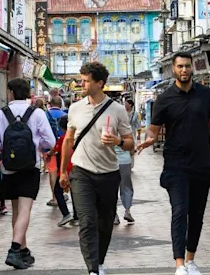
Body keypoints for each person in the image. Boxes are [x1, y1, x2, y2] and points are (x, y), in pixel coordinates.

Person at [136, 52, 210, 275]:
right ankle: (179, 263)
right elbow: (153, 130)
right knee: (180, 211)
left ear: (193, 68)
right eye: (180, 66)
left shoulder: (205, 95)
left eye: (187, 66)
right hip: (175, 165)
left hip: (201, 164)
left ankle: (191, 259)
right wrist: (147, 141)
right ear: (174, 69)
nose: (184, 70)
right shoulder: (164, 99)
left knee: (197, 213)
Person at [60, 62, 135, 275]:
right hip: (81, 172)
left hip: (109, 174)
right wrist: (64, 170)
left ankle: (99, 261)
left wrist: (118, 141)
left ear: (99, 83)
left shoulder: (117, 110)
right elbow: (68, 140)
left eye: (85, 80)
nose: (81, 84)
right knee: (87, 221)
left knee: (104, 223)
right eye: (81, 79)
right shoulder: (75, 108)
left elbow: (131, 145)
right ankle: (93, 269)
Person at [0, 78, 57, 270]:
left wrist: (9, 150)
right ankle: (14, 250)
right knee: (25, 210)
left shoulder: (1, 114)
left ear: (11, 92)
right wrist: (37, 147)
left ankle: (23, 251)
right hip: (30, 167)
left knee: (17, 210)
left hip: (8, 168)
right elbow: (50, 142)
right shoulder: (37, 113)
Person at [115, 98, 137, 224]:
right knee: (126, 186)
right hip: (124, 161)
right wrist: (131, 153)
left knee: (111, 189)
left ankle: (114, 215)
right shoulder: (125, 127)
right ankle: (127, 210)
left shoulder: (108, 127)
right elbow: (131, 145)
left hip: (111, 162)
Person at [51, 115, 74, 227]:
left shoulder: (62, 139)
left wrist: (49, 155)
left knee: (57, 191)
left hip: (65, 170)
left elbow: (54, 150)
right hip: (77, 168)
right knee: (76, 192)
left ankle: (66, 214)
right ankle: (78, 216)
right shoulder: (76, 137)